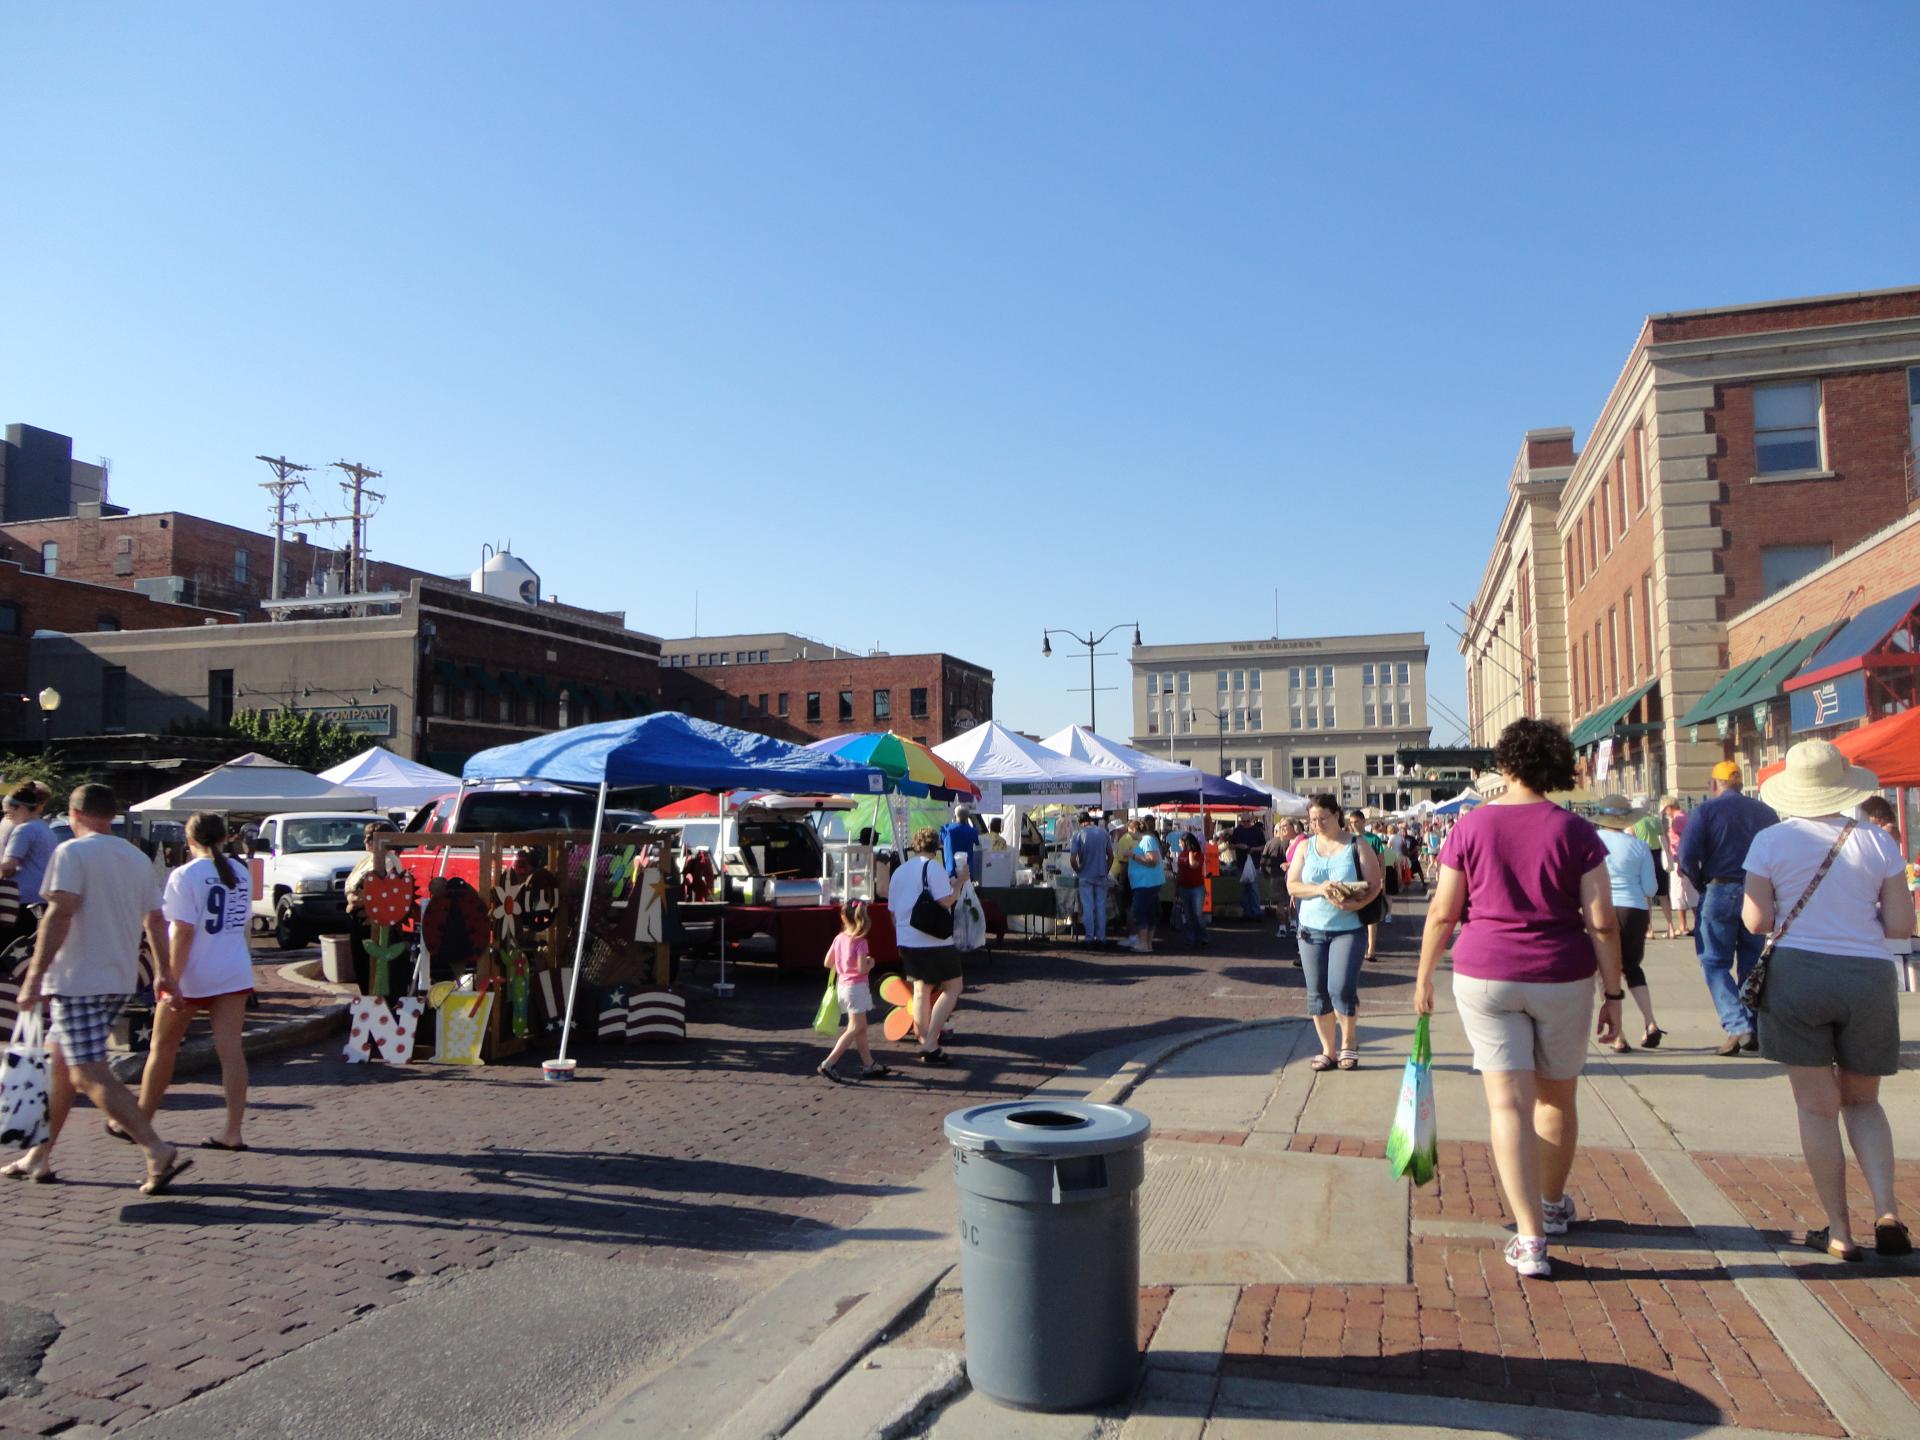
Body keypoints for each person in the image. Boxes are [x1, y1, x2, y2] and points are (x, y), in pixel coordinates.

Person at [1415, 718, 1623, 1280]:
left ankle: (1529, 1237)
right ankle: (1552, 1205)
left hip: (1486, 971)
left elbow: (1443, 911)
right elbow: (1602, 922)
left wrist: (1424, 975)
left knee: (1506, 1105)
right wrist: (1614, 992)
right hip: (1561, 973)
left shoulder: (1470, 826)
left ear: (1504, 765)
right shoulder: (1576, 831)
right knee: (1557, 1098)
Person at [1744, 740, 1914, 1260]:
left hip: (1798, 974)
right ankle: (1887, 1210)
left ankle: (1839, 1231)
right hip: (1868, 976)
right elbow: (1901, 925)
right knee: (1864, 1102)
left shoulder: (1771, 841)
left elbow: (1756, 920)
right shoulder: (1877, 841)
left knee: (1816, 1109)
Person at [5, 785, 192, 1194]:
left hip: (77, 980)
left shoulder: (71, 853)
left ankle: (156, 1148)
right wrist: (163, 973)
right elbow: (155, 920)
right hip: (118, 978)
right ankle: (38, 1156)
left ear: (74, 814)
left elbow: (59, 914)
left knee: (87, 1070)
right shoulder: (136, 857)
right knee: (60, 1068)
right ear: (112, 815)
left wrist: (33, 978)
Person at [134, 812, 254, 1150]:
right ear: (225, 838)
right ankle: (233, 1131)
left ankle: (141, 1121)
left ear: (189, 841)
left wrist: (170, 977)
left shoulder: (185, 875)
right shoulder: (241, 873)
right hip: (232, 969)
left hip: (192, 973)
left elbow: (183, 931)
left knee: (162, 1048)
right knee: (231, 1051)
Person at [1679, 762, 1779, 1056]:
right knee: (1751, 961)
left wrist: (1700, 881)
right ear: (1740, 783)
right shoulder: (1765, 812)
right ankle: (1751, 1025)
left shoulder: (1706, 811)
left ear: (1714, 784)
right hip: (1757, 892)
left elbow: (1686, 855)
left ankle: (1738, 1025)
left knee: (1714, 961)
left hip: (1720, 888)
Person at [1288, 796, 1383, 1072]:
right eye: (1312, 820)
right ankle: (1328, 1050)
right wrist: (1319, 889)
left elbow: (1375, 884)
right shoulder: (1305, 846)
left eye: (1323, 818)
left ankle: (1349, 1042)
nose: (1317, 824)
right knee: (1317, 993)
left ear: (1336, 815)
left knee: (1341, 988)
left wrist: (1354, 905)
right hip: (1311, 930)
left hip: (1348, 929)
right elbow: (1293, 885)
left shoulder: (1357, 844)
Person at [1590, 795, 1664, 1052]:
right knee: (1632, 968)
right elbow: (1651, 888)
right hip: (1634, 909)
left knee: (1606, 970)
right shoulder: (1639, 846)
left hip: (1602, 907)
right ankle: (1650, 1022)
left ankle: (1618, 1034)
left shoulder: (1593, 842)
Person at [890, 827, 961, 1066]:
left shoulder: (899, 871)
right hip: (934, 940)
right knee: (953, 987)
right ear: (936, 847)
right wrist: (960, 883)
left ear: (915, 845)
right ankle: (931, 1042)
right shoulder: (933, 868)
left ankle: (924, 1039)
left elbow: (892, 911)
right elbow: (946, 901)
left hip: (906, 938)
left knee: (921, 990)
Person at [817, 901, 893, 1082]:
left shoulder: (839, 938)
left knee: (861, 1028)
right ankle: (829, 1062)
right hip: (857, 988)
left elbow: (828, 962)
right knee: (856, 1027)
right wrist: (870, 963)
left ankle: (869, 1064)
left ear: (844, 918)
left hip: (843, 987)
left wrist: (843, 965)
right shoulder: (860, 942)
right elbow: (861, 969)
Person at [0, 780, 57, 942]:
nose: (8, 816)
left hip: (20, 901)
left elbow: (8, 867)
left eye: (9, 812)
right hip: (41, 898)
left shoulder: (24, 830)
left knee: (11, 947)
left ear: (21, 807)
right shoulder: (44, 828)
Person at [1069, 810, 1112, 947]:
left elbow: (1072, 860)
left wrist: (1078, 871)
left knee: (1088, 907)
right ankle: (1101, 937)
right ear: (1090, 820)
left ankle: (1089, 937)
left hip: (1085, 875)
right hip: (1101, 874)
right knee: (1100, 907)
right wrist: (1106, 870)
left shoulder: (1078, 835)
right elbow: (1111, 856)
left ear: (1080, 822)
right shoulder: (1103, 833)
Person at [1126, 818, 1165, 954]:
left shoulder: (1147, 840)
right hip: (1146, 883)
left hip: (1146, 883)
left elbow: (1152, 860)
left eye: (1129, 831)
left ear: (1134, 829)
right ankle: (1147, 943)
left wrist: (1133, 855)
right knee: (1149, 912)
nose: (1128, 834)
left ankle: (1143, 943)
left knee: (1139, 911)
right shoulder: (1146, 840)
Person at [1664, 798, 1697, 938]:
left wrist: (1680, 862)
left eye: (1665, 810)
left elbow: (1683, 841)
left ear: (1669, 807)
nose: (1665, 813)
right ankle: (1698, 923)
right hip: (1690, 858)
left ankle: (1683, 925)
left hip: (1680, 858)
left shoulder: (1677, 820)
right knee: (1692, 893)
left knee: (1678, 893)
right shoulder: (1687, 816)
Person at [1173, 833, 1208, 948]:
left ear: (1187, 843)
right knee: (1188, 914)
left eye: (1181, 842)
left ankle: (1202, 936)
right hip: (1184, 887)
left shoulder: (1198, 854)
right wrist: (1177, 887)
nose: (1179, 844)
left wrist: (1190, 852)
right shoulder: (1181, 854)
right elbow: (1179, 871)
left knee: (1197, 914)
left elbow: (1193, 865)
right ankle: (1191, 938)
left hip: (1197, 888)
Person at [1230, 816, 1267, 920]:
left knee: (1254, 889)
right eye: (1243, 821)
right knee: (1244, 890)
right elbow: (1231, 845)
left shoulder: (1257, 831)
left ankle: (1255, 912)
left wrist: (1254, 849)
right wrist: (1239, 846)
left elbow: (1264, 846)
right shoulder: (1237, 831)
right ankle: (1247, 912)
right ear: (1241, 821)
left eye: (1247, 821)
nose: (1246, 823)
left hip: (1254, 864)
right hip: (1241, 864)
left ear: (1251, 821)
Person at [941, 805, 980, 881]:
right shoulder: (973, 831)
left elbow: (941, 842)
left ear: (955, 815)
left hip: (950, 871)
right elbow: (978, 843)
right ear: (967, 817)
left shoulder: (946, 829)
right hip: (966, 871)